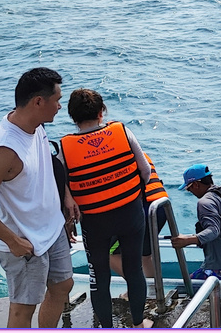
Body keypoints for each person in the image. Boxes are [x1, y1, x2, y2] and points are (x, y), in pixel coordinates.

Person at [0, 68, 76, 328]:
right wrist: (13, 241)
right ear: (38, 102)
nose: (60, 106)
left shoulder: (35, 125)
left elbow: (46, 165)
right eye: (57, 100)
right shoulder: (5, 148)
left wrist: (66, 197)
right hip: (24, 238)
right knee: (22, 309)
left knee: (63, 285)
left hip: (51, 227)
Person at [59, 88, 153, 328]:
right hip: (130, 213)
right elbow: (145, 171)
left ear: (73, 118)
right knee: (133, 270)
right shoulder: (122, 131)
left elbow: (63, 189)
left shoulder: (64, 148)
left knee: (99, 278)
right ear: (102, 112)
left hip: (94, 221)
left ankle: (107, 328)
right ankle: (138, 323)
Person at [109, 152, 168, 280]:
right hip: (161, 207)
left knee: (109, 252)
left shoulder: (115, 157)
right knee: (145, 256)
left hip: (143, 208)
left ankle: (138, 287)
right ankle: (153, 291)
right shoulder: (140, 154)